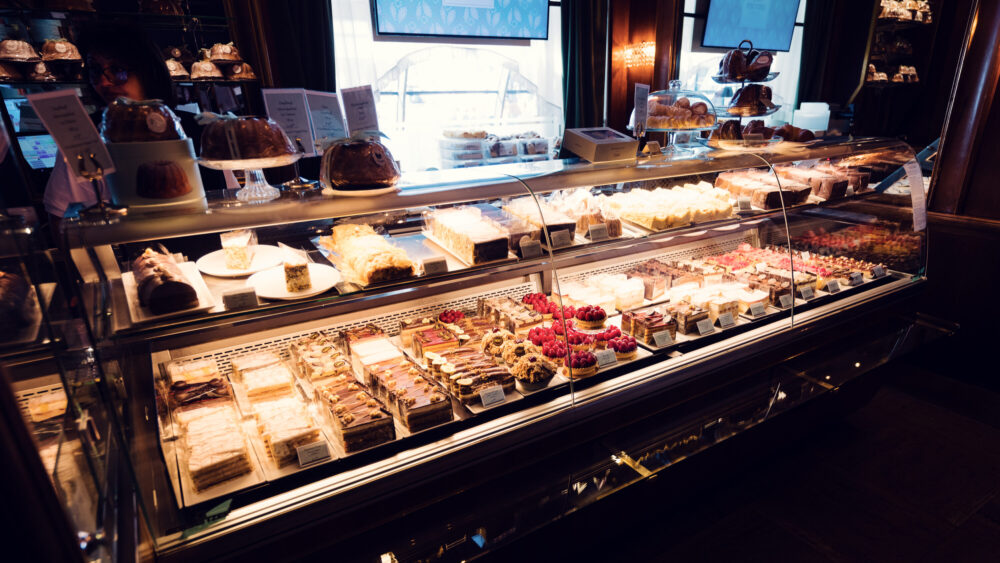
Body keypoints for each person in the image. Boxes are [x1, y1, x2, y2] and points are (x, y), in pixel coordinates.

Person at [43, 23, 178, 221]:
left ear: (148, 71)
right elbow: (62, 218)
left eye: (117, 69)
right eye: (95, 70)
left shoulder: (189, 125)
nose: (104, 82)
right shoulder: (85, 136)